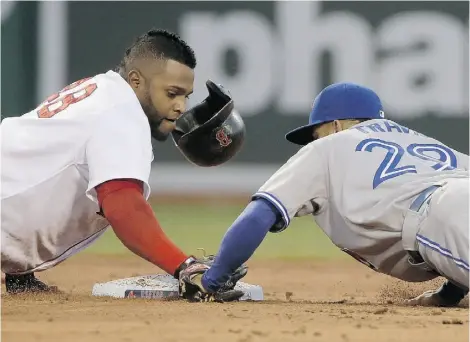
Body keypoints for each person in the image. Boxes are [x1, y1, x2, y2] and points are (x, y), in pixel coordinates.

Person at [1, 29, 246, 302]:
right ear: (136, 80)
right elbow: (123, 206)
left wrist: (18, 271)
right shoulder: (122, 111)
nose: (180, 106)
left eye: (185, 96)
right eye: (172, 93)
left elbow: (37, 161)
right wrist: (185, 266)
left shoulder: (105, 91)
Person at [179, 82, 469, 307]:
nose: (311, 142)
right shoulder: (427, 144)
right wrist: (449, 294)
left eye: (315, 133)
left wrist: (212, 280)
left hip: (442, 214)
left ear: (336, 125)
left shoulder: (327, 147)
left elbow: (261, 213)